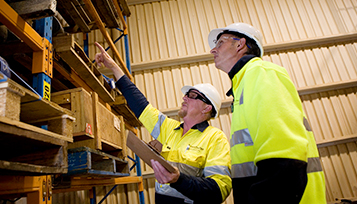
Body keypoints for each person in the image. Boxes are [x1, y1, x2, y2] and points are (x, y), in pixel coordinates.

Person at [94, 42, 232, 204]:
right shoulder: (169, 128)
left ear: (207, 108)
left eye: (192, 95)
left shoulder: (215, 138)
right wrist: (113, 67)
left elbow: (219, 190)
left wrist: (179, 180)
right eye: (186, 94)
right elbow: (140, 105)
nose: (184, 98)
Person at [208, 23, 326, 204]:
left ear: (240, 44)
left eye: (220, 43)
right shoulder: (243, 84)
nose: (213, 50)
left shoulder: (260, 73)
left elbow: (284, 156)